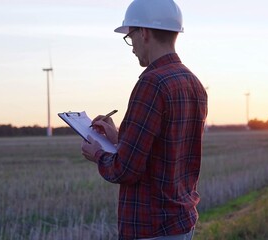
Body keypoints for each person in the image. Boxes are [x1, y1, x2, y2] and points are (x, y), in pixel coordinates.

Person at [81, 0, 208, 239]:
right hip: (181, 223)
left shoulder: (152, 83)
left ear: (145, 33)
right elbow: (166, 150)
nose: (131, 47)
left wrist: (97, 154)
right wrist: (119, 139)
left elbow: (125, 169)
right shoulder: (193, 83)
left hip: (150, 227)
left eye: (130, 37)